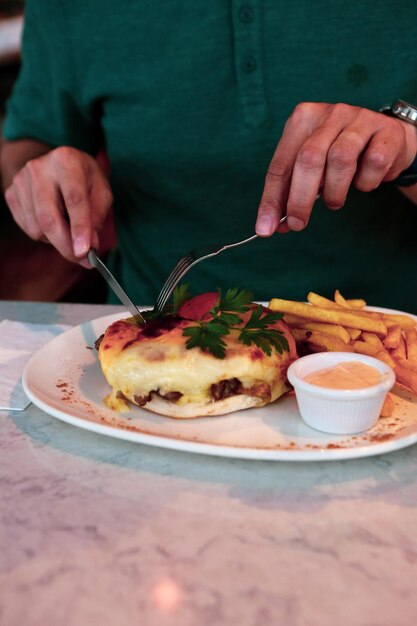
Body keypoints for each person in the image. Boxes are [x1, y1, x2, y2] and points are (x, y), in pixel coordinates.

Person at [1, 1, 417, 312]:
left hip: (385, 353)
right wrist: (41, 178)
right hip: (151, 339)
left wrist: (406, 150)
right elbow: (26, 147)